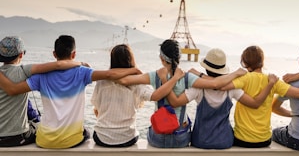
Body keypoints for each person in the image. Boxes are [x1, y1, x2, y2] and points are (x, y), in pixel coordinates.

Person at [0, 35, 141, 149]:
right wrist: (134, 70)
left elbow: (14, 89)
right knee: (86, 132)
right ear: (74, 54)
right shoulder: (83, 73)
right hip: (72, 141)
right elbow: (110, 75)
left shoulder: (40, 77)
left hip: (45, 141)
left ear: (54, 54)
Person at [116, 39, 252, 148]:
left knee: (150, 128)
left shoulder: (155, 75)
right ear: (179, 58)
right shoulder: (188, 78)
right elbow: (215, 84)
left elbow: (123, 80)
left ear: (162, 59)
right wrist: (235, 73)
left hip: (158, 136)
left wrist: (134, 70)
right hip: (180, 137)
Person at [164, 48, 278, 149]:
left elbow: (175, 102)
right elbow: (254, 103)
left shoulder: (198, 88)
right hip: (225, 141)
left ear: (206, 68)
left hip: (200, 141)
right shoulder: (232, 88)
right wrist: (270, 84)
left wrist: (167, 81)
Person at [220, 45, 299, 148]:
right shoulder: (273, 81)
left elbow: (221, 86)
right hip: (265, 140)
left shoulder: (244, 78)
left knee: (275, 132)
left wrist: (235, 74)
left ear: (244, 63)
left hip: (243, 139)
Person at [91, 44, 184, 147]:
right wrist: (174, 79)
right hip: (127, 138)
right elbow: (155, 96)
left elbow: (97, 111)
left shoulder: (102, 82)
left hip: (102, 138)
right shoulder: (137, 83)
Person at [0, 36, 83, 147]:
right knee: (41, 127)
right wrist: (80, 64)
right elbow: (58, 65)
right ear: (21, 54)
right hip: (16, 137)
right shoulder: (24, 71)